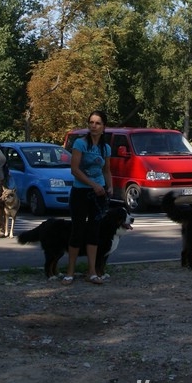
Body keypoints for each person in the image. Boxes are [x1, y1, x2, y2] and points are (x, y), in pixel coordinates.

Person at [64, 110, 113, 285]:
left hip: (98, 194)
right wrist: (93, 185)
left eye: (97, 123)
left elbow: (106, 170)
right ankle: (70, 271)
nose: (93, 126)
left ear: (103, 127)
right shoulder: (80, 143)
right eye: (91, 122)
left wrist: (110, 187)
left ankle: (91, 271)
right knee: (77, 230)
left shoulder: (105, 148)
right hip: (81, 192)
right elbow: (74, 169)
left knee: (94, 231)